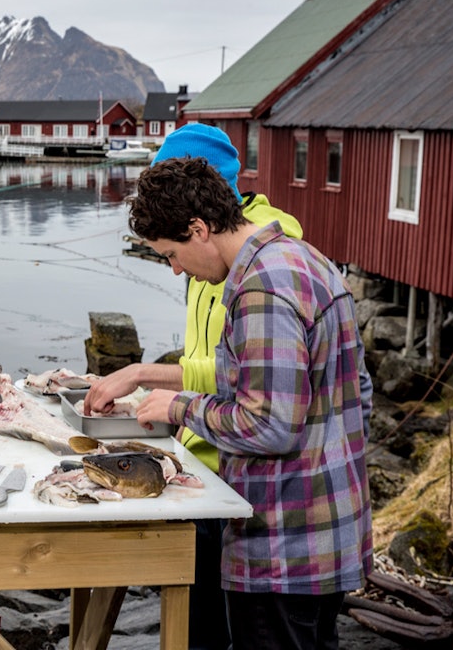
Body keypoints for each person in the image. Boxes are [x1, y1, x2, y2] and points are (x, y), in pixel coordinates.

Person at [125, 156, 373, 650]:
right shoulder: (304, 257)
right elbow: (356, 390)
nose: (176, 271)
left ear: (199, 229)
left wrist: (179, 408)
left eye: (171, 254)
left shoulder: (260, 287)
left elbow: (271, 425)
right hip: (328, 534)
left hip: (281, 548)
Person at [84, 123, 304, 650]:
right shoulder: (212, 256)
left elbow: (257, 395)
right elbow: (217, 365)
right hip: (202, 463)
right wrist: (160, 392)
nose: (175, 269)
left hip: (247, 484)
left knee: (229, 628)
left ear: (199, 214)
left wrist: (153, 383)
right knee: (200, 621)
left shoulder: (265, 264)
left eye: (172, 254)